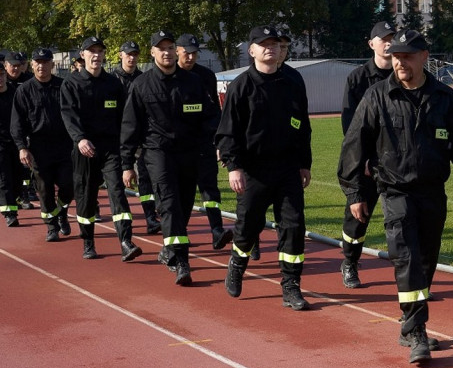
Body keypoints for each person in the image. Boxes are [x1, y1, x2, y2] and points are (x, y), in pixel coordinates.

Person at [339, 29, 453, 364]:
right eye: (396, 56)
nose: (399, 62)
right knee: (407, 258)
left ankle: (409, 323)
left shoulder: (445, 98)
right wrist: (356, 192)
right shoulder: (376, 97)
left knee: (427, 260)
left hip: (432, 192)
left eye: (407, 56)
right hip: (394, 191)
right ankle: (417, 331)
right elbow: (353, 147)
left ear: (424, 57)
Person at [218, 25, 312, 310]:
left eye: (274, 44)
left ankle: (291, 286)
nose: (270, 48)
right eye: (263, 44)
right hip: (253, 169)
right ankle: (237, 265)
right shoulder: (241, 86)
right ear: (252, 50)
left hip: (287, 169)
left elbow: (302, 126)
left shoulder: (293, 82)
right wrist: (233, 167)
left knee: (294, 227)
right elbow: (227, 132)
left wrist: (304, 164)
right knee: (247, 227)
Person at [121, 30, 218, 286]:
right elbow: (130, 127)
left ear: (176, 50)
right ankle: (181, 261)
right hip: (157, 152)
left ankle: (169, 249)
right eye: (160, 48)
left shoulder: (193, 82)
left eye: (170, 47)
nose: (166, 52)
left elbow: (210, 116)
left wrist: (210, 140)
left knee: (184, 205)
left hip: (189, 153)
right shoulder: (141, 86)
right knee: (170, 202)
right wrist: (127, 164)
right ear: (152, 52)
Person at [60, 36, 141, 261]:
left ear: (104, 55)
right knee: (86, 196)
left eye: (100, 51)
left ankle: (126, 241)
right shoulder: (71, 83)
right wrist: (80, 139)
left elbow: (124, 117)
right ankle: (88, 242)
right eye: (91, 51)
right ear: (83, 55)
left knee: (118, 193)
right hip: (85, 148)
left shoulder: (113, 84)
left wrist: (128, 148)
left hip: (110, 149)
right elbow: (69, 115)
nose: (96, 55)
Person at [338, 20, 396, 288]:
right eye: (383, 38)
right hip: (366, 163)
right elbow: (351, 126)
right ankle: (350, 262)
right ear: (371, 43)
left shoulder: (403, 74)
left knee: (402, 220)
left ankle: (409, 276)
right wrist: (361, 160)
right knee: (358, 217)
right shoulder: (358, 78)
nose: (389, 42)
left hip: (396, 162)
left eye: (392, 37)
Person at [10, 48, 73, 242]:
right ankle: (52, 226)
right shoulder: (24, 90)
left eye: (45, 62)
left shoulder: (64, 86)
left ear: (52, 65)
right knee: (44, 189)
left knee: (68, 185)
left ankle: (61, 211)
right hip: (39, 147)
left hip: (64, 146)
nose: (41, 65)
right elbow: (17, 123)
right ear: (31, 64)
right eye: (37, 62)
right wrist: (22, 147)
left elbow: (74, 115)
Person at [176, 33, 231, 250]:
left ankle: (217, 230)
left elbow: (214, 111)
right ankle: (177, 235)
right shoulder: (170, 75)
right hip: (178, 146)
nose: (190, 57)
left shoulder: (207, 76)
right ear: (177, 51)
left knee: (210, 189)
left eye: (194, 53)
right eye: (186, 52)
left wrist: (218, 142)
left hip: (204, 142)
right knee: (183, 194)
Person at [112, 40, 160, 235]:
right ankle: (122, 219)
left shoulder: (143, 79)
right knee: (117, 178)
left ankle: (150, 216)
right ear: (120, 55)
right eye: (128, 54)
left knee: (145, 176)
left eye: (135, 54)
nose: (132, 58)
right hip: (116, 135)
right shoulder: (112, 80)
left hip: (140, 135)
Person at [4, 50, 37, 209]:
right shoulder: (3, 81)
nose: (16, 69)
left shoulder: (29, 81)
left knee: (24, 167)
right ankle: (11, 201)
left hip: (24, 130)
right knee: (6, 170)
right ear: (6, 66)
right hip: (5, 132)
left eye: (19, 66)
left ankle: (24, 191)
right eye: (13, 66)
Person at [0, 52, 21, 226]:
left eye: (1, 75)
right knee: (4, 177)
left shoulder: (16, 93)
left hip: (15, 142)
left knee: (15, 177)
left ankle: (14, 201)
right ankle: (9, 212)